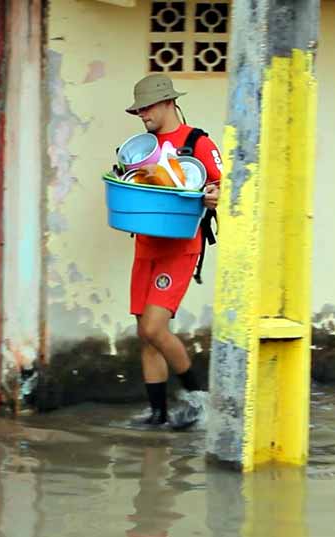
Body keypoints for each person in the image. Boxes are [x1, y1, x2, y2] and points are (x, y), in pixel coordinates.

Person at [124, 74, 221, 430]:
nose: (142, 115)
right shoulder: (142, 146)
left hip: (179, 249)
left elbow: (225, 186)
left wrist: (214, 195)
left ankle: (198, 400)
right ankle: (158, 413)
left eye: (146, 107)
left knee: (154, 327)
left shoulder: (197, 142)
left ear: (167, 102)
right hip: (146, 245)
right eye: (138, 109)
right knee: (143, 332)